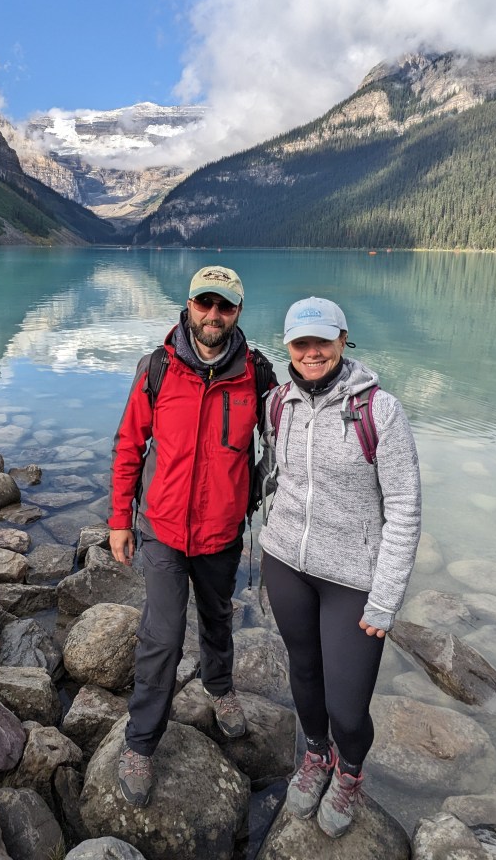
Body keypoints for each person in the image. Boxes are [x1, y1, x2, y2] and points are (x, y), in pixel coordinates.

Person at [108, 264, 275, 807]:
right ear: (189, 305)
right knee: (161, 637)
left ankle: (219, 687)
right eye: (205, 303)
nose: (213, 315)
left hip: (222, 532)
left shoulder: (259, 374)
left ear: (238, 311)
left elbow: (288, 443)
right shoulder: (157, 368)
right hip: (161, 529)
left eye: (224, 305)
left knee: (218, 616)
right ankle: (140, 743)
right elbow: (129, 444)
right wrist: (119, 520)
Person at [258, 296, 421, 838]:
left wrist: (386, 598)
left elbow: (404, 509)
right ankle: (316, 755)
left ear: (343, 341)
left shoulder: (380, 411)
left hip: (353, 580)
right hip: (286, 564)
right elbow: (277, 476)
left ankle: (349, 772)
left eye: (322, 341)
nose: (312, 352)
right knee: (304, 674)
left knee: (348, 708)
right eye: (301, 343)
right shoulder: (277, 403)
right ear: (287, 346)